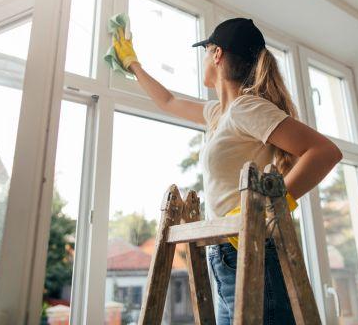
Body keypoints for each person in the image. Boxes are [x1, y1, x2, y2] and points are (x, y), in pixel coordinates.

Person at [113, 17, 343, 324]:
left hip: (253, 253)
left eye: (206, 51)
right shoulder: (218, 113)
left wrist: (269, 209)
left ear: (217, 54)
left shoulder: (247, 108)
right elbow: (167, 101)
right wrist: (132, 63)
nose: (204, 59)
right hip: (225, 256)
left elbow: (325, 152)